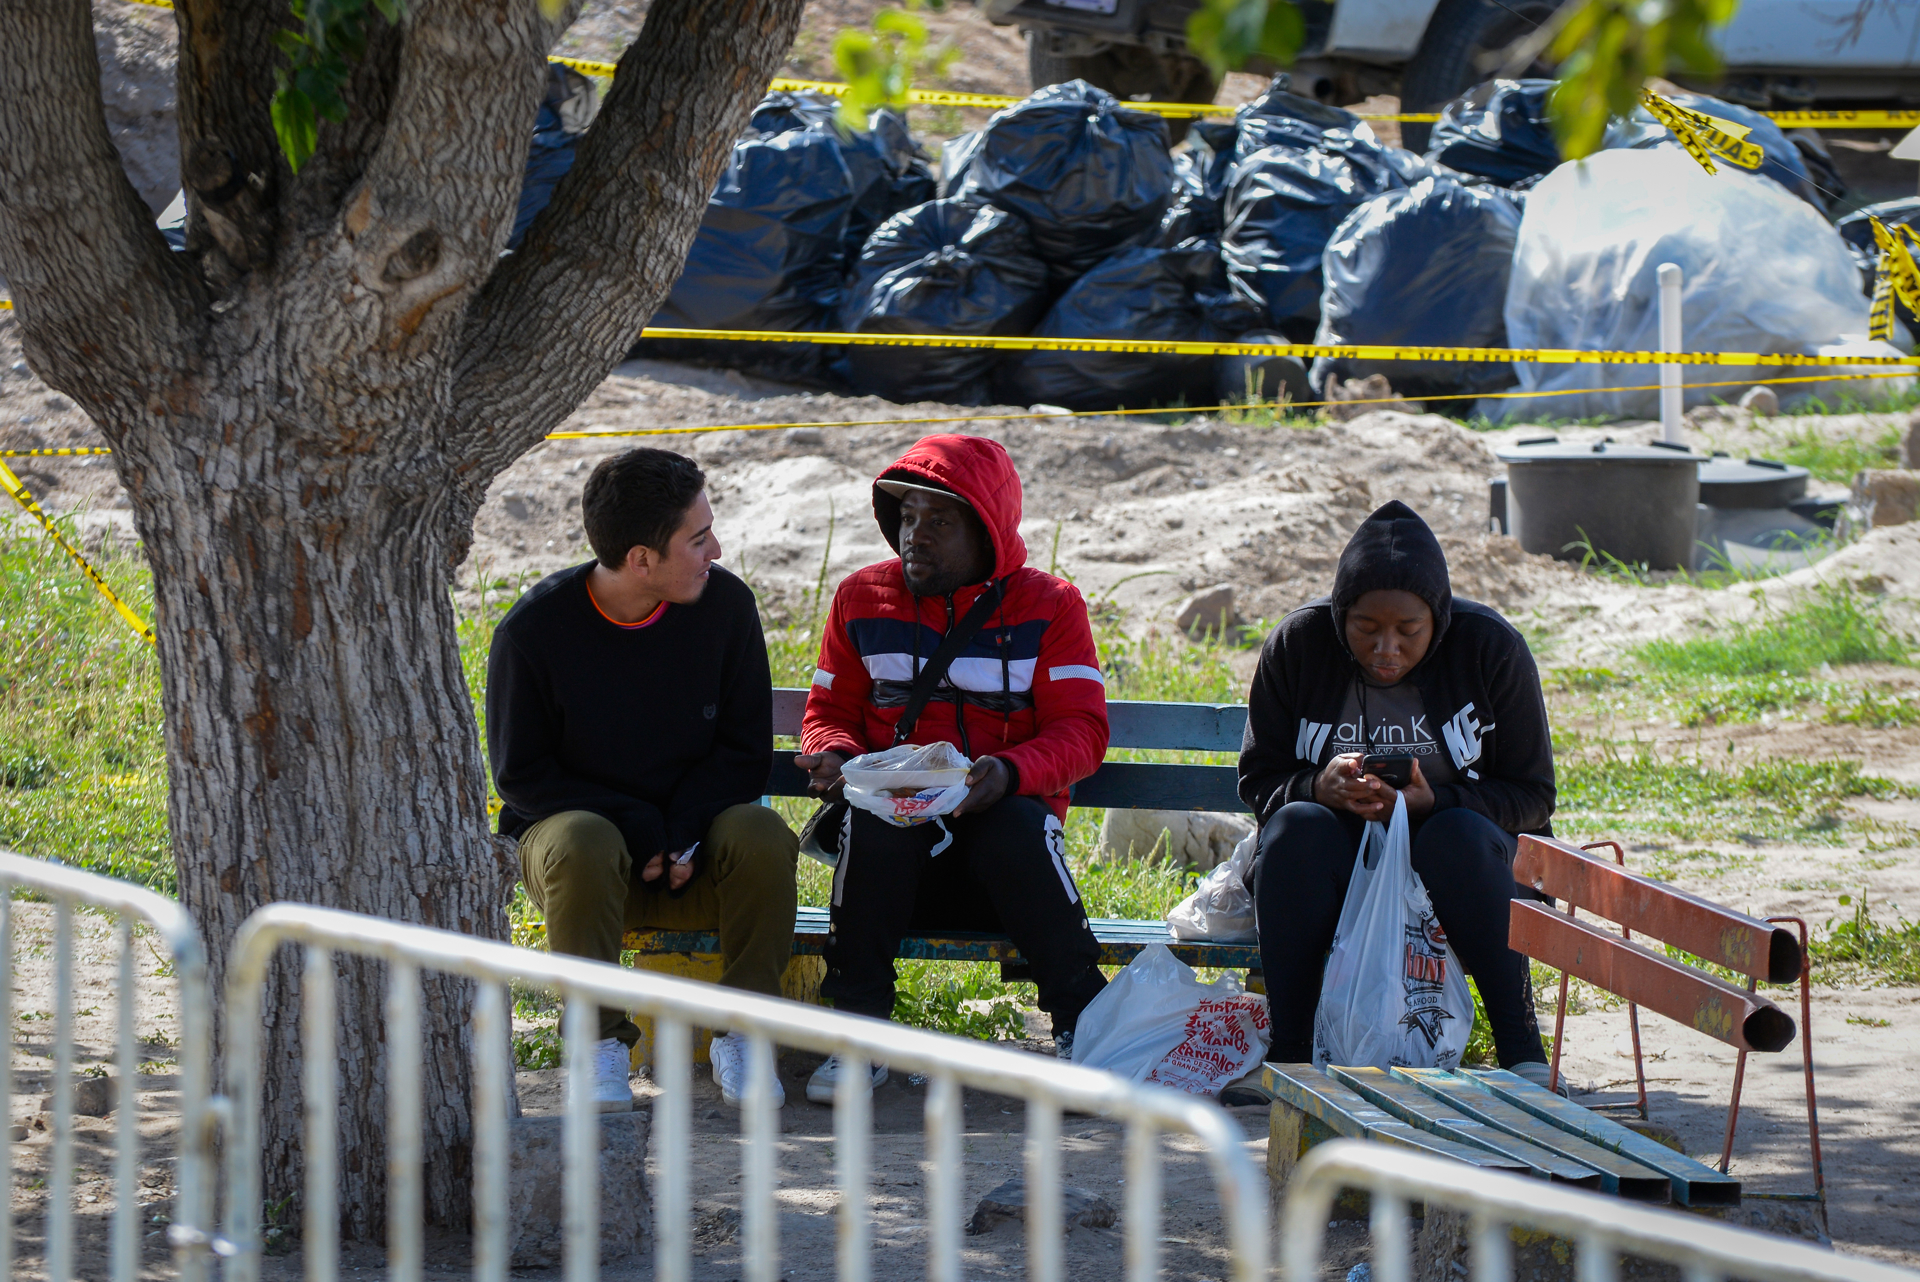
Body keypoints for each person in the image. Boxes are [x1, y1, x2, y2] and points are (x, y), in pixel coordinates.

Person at [795, 434, 1110, 1104]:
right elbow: (828, 710)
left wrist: (1008, 772)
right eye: (907, 517)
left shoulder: (1050, 605)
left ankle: (1084, 1027)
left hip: (1005, 877)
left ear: (987, 529)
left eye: (939, 521)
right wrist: (838, 756)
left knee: (1016, 823)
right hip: (896, 870)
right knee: (878, 823)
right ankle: (857, 1036)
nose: (915, 536)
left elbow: (1081, 732)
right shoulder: (860, 598)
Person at [488, 448, 799, 1111]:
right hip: (586, 873)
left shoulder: (726, 607)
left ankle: (743, 1032)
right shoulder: (533, 632)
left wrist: (682, 830)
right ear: (640, 560)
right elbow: (522, 776)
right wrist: (635, 821)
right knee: (583, 839)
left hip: (691, 859)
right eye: (697, 538)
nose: (715, 549)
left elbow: (743, 753)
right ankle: (596, 1044)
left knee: (763, 832)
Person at [1238, 500, 1558, 1085]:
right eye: (1366, 629)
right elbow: (1258, 778)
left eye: (1408, 631)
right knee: (1293, 829)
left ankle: (1521, 1050)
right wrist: (1318, 786)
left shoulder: (1490, 648)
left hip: (1459, 868)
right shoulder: (1298, 645)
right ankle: (1290, 1054)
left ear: (1437, 621)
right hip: (1335, 867)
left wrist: (1435, 802)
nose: (1387, 649)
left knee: (1457, 834)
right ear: (1340, 617)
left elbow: (1534, 796)